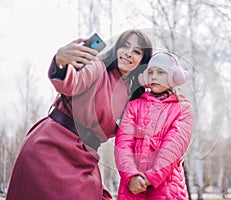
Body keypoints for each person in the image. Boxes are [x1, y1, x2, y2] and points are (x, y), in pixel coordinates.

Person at [6, 29, 153, 200]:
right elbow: (72, 84)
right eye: (125, 46)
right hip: (52, 146)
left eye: (136, 51)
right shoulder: (98, 68)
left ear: (143, 61)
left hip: (84, 157)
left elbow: (138, 137)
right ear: (117, 48)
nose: (128, 53)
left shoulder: (134, 96)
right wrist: (60, 62)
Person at [114, 52, 194, 199]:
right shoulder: (134, 106)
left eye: (161, 72)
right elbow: (123, 144)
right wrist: (131, 176)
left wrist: (150, 178)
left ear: (173, 77)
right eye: (150, 72)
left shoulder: (183, 109)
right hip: (133, 188)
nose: (154, 77)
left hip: (167, 188)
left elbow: (173, 148)